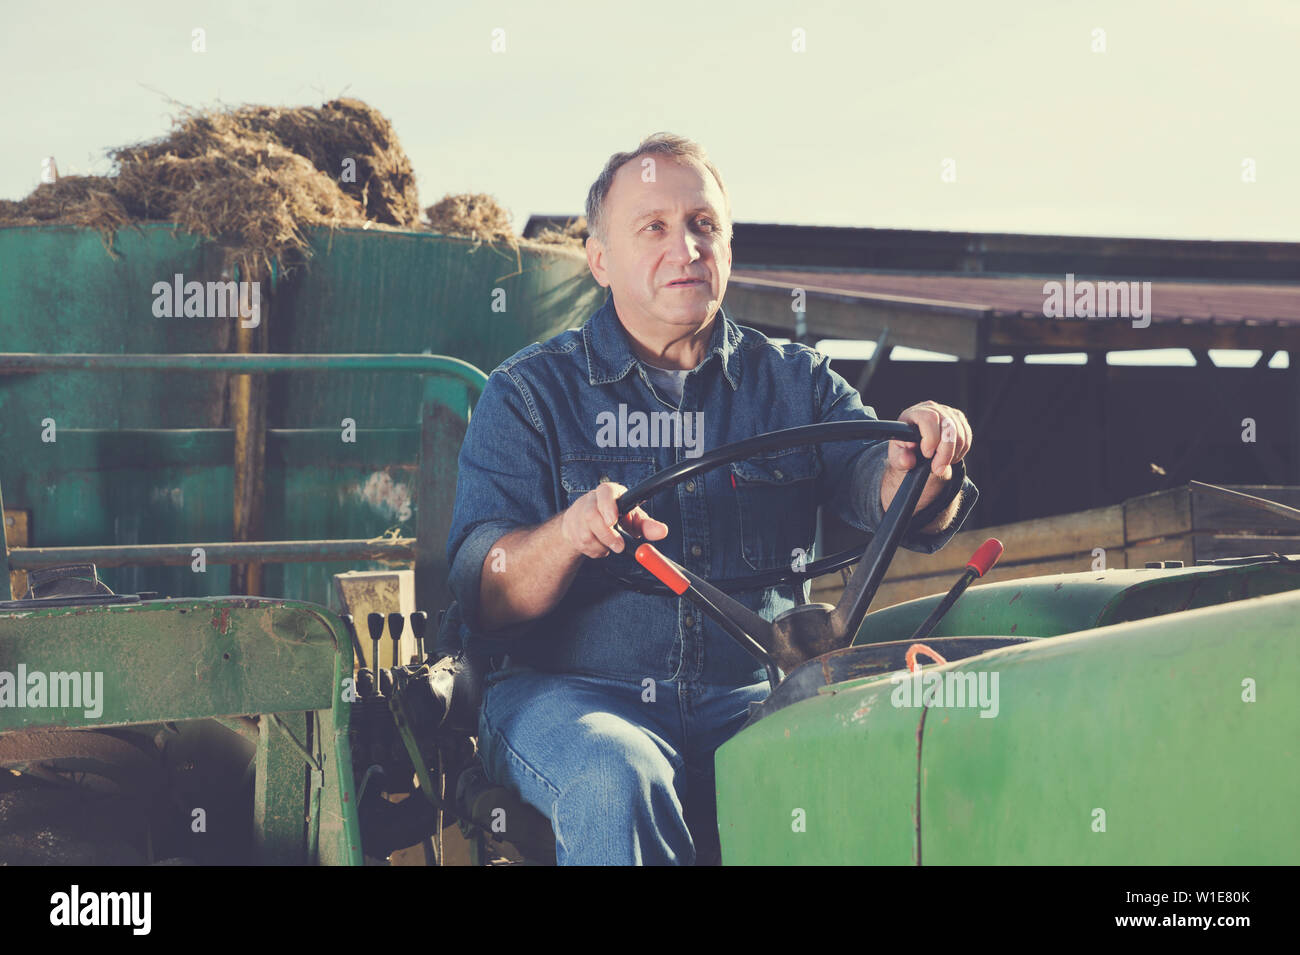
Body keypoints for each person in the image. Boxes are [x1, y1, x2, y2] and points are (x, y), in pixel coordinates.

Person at [442, 133, 978, 865]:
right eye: (653, 227)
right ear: (599, 260)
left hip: (755, 695)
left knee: (884, 758)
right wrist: (566, 535)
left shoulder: (797, 384)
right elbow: (485, 591)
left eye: (703, 225)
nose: (686, 247)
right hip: (573, 698)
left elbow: (887, 489)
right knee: (614, 775)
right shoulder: (529, 394)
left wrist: (925, 461)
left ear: (728, 246)